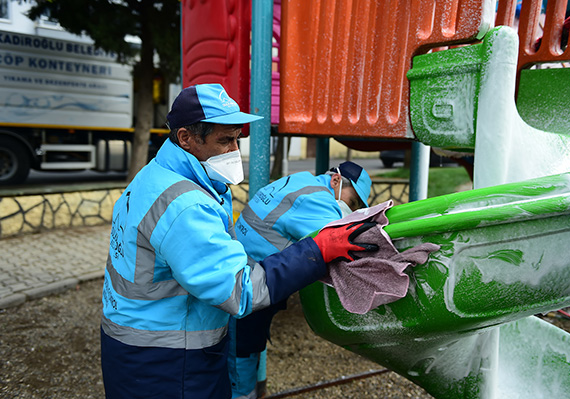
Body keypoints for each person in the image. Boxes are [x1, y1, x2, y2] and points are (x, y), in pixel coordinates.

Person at [100, 83, 378, 399]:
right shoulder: (185, 205)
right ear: (186, 138)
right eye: (224, 140)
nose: (234, 151)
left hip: (134, 346)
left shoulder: (156, 176)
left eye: (237, 139)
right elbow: (238, 291)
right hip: (168, 360)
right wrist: (317, 250)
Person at [229, 161, 372, 398]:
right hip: (251, 284)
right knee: (242, 350)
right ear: (336, 181)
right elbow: (338, 238)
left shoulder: (301, 181)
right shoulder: (316, 199)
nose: (351, 209)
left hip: (245, 270)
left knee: (243, 347)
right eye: (352, 201)